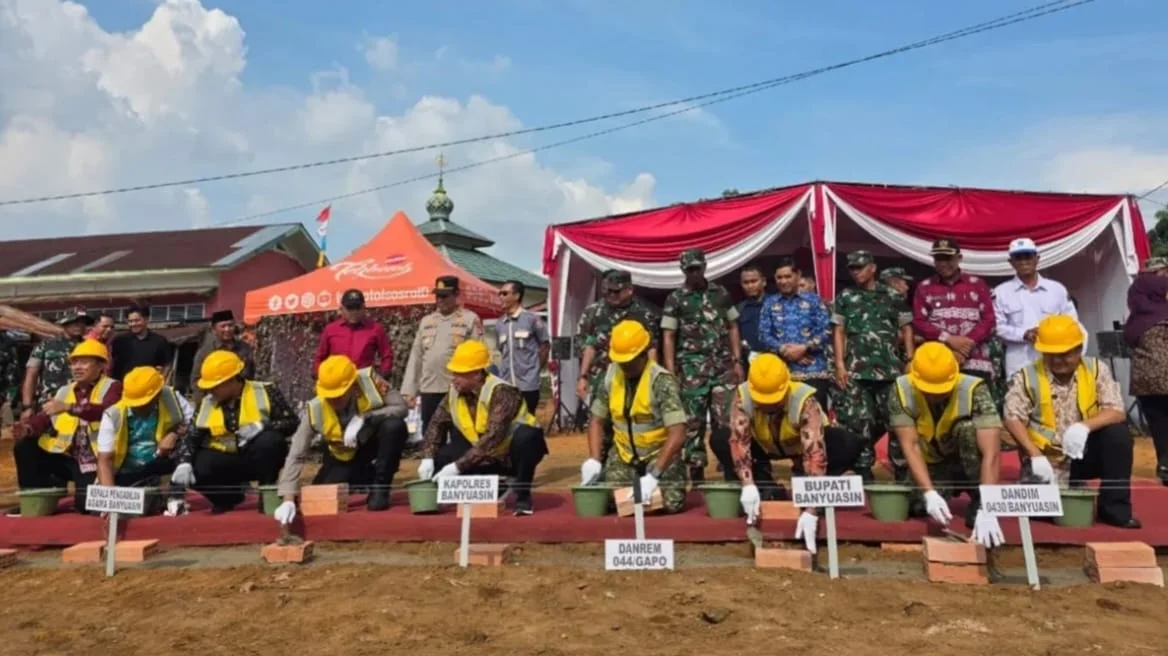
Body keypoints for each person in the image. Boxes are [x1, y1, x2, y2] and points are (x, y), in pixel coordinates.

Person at [710, 353, 862, 550]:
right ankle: (765, 489)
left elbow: (815, 454)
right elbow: (739, 442)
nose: (768, 405)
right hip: (763, 447)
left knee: (847, 443)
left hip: (800, 448)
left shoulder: (804, 400)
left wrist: (811, 509)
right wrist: (748, 484)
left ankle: (807, 489)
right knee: (720, 439)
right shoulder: (743, 396)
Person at [1002, 315, 1142, 528]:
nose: (1057, 360)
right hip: (1046, 462)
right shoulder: (1026, 376)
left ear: (1078, 349)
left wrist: (1084, 427)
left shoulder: (1095, 370)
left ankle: (1114, 509)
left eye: (1064, 354)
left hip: (1083, 455)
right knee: (1040, 515)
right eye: (1051, 355)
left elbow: (1116, 410)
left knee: (1118, 435)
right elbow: (1012, 418)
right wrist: (1035, 455)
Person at [889, 341, 1004, 546]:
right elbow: (911, 445)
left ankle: (978, 499)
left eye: (940, 389)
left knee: (968, 430)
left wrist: (990, 506)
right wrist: (929, 492)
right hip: (930, 460)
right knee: (917, 507)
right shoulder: (901, 389)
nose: (934, 395)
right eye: (929, 390)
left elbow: (991, 453)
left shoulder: (974, 389)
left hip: (966, 459)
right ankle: (938, 490)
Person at [416, 340, 548, 516]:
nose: (454, 377)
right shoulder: (454, 392)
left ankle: (522, 496)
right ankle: (482, 488)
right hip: (481, 454)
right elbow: (436, 424)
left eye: (460, 373)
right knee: (442, 456)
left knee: (527, 437)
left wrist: (457, 467)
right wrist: (428, 457)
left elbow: (494, 437)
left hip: (510, 454)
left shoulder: (503, 392)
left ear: (477, 374)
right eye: (453, 372)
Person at [275, 355, 409, 520]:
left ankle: (380, 485)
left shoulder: (371, 381)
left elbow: (401, 408)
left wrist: (367, 417)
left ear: (353, 385)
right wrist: (288, 499)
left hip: (370, 443)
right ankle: (363, 476)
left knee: (394, 426)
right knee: (321, 497)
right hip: (341, 456)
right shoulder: (315, 408)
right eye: (329, 396)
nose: (334, 400)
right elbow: (296, 454)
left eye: (339, 395)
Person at [579, 320, 688, 513]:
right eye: (621, 361)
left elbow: (678, 433)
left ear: (643, 353)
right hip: (624, 455)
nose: (624, 366)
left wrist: (654, 475)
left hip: (658, 455)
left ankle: (653, 482)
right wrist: (594, 460)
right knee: (607, 502)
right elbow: (596, 420)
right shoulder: (610, 376)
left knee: (669, 503)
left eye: (629, 361)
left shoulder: (661, 381)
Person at [174, 350, 298, 513]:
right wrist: (184, 462)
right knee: (197, 463)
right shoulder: (207, 403)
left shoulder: (265, 391)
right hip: (225, 460)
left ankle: (266, 490)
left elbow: (292, 422)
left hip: (256, 458)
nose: (210, 391)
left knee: (271, 441)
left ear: (232, 380)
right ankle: (227, 499)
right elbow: (192, 437)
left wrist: (263, 426)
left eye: (215, 386)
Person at [10, 339, 121, 515]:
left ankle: (79, 492)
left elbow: (104, 411)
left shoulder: (114, 387)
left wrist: (70, 408)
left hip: (95, 461)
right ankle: (36, 498)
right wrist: (27, 428)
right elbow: (45, 416)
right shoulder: (65, 390)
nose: (77, 367)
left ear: (101, 365)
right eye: (74, 363)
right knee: (25, 447)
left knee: (87, 506)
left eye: (84, 362)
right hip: (67, 455)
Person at [662, 248, 743, 483]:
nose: (695, 273)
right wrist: (669, 371)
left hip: (722, 369)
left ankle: (730, 468)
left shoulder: (721, 293)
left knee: (725, 422)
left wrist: (737, 361)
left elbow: (733, 327)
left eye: (698, 268)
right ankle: (696, 475)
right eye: (690, 269)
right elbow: (668, 335)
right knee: (693, 423)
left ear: (705, 266)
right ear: (683, 270)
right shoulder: (675, 299)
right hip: (691, 371)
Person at [832, 250, 914, 481]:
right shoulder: (846, 296)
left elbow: (907, 328)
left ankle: (902, 469)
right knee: (859, 422)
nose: (856, 272)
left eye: (860, 267)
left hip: (889, 370)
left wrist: (909, 359)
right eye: (852, 268)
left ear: (873, 267)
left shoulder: (892, 295)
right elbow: (838, 330)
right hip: (857, 370)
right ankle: (862, 469)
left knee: (896, 422)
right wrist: (839, 363)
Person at [574, 269, 660, 468]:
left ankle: (633, 472)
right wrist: (583, 377)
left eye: (615, 291)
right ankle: (599, 469)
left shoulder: (643, 314)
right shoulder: (593, 312)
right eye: (607, 292)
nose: (610, 296)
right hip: (601, 379)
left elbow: (651, 349)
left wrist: (653, 378)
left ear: (629, 290)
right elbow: (587, 346)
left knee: (634, 424)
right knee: (599, 424)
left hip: (634, 379)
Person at [94, 366, 194, 515]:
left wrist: (174, 434)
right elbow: (104, 460)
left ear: (157, 394)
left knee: (190, 445)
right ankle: (155, 499)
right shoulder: (112, 415)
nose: (138, 407)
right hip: (128, 471)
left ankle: (175, 495)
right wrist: (109, 500)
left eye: (143, 402)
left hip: (161, 460)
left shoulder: (173, 398)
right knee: (106, 507)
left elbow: (194, 425)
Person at [402, 276, 485, 440]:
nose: (440, 300)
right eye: (437, 295)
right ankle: (432, 465)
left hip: (457, 388)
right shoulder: (427, 321)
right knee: (432, 436)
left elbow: (479, 356)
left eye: (445, 296)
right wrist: (409, 390)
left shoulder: (470, 319)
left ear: (456, 295)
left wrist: (477, 387)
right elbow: (416, 356)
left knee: (460, 435)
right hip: (430, 388)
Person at [992, 238, 1083, 380]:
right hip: (1019, 363)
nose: (1023, 262)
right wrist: (1023, 334)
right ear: (1011, 262)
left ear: (1037, 258)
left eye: (1028, 256)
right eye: (1018, 258)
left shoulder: (1056, 289)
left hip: (1055, 360)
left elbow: (1072, 322)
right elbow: (996, 327)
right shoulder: (1001, 293)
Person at [912, 238, 996, 382]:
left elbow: (989, 320)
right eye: (939, 259)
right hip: (938, 360)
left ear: (959, 258)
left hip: (975, 359)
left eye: (948, 258)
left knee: (975, 402)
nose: (943, 263)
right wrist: (948, 339)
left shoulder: (977, 285)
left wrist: (966, 344)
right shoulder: (924, 287)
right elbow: (919, 322)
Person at [758, 258, 833, 409]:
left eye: (787, 276)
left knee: (814, 422)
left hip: (813, 371)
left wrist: (804, 348)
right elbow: (763, 335)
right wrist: (784, 350)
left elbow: (826, 331)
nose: (783, 281)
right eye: (779, 278)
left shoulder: (814, 301)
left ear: (798, 276)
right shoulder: (770, 303)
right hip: (781, 374)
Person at [1126, 256, 1168, 485]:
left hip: (1144, 377)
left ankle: (1165, 465)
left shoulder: (1136, 306)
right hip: (1164, 374)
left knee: (1158, 423)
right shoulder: (1163, 307)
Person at [21, 309, 92, 417]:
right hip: (49, 403)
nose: (79, 325)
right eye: (75, 322)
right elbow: (31, 375)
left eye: (83, 322)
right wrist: (27, 406)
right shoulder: (46, 346)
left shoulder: (90, 347)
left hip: (79, 403)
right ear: (64, 323)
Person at [495, 280, 549, 414]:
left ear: (517, 296)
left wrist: (535, 369)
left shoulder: (532, 319)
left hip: (527, 385)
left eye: (505, 293)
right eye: (500, 293)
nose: (501, 297)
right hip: (507, 384)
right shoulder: (500, 324)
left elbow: (545, 346)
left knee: (527, 425)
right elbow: (502, 351)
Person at [313, 289, 393, 378]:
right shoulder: (330, 329)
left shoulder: (376, 329)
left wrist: (384, 373)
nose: (354, 312)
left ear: (364, 308)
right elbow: (320, 356)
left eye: (357, 308)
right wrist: (317, 372)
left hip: (363, 380)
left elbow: (386, 355)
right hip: (337, 381)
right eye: (350, 308)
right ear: (342, 309)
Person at [192, 309, 256, 404]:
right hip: (215, 401)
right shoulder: (205, 351)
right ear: (214, 329)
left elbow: (252, 374)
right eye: (223, 326)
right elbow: (196, 380)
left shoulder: (244, 348)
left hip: (242, 400)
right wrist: (201, 404)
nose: (227, 329)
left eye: (230, 325)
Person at [109, 306, 172, 381]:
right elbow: (109, 362)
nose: (133, 324)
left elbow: (167, 365)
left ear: (146, 319)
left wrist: (162, 381)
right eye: (130, 321)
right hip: (122, 387)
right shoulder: (119, 340)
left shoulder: (159, 341)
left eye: (137, 320)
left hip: (147, 388)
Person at [735, 265, 770, 368]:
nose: (750, 286)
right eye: (746, 282)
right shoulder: (738, 309)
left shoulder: (775, 304)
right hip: (750, 363)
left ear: (763, 281)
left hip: (776, 359)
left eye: (754, 281)